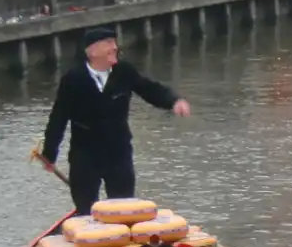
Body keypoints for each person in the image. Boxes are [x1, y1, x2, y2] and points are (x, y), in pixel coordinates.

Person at [40, 27, 190, 216]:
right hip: (85, 155)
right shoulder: (73, 79)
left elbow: (149, 89)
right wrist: (49, 154)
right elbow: (58, 118)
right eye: (108, 44)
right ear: (92, 51)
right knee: (86, 210)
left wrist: (174, 100)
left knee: (123, 208)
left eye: (114, 43)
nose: (115, 47)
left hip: (118, 152)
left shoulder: (124, 72)